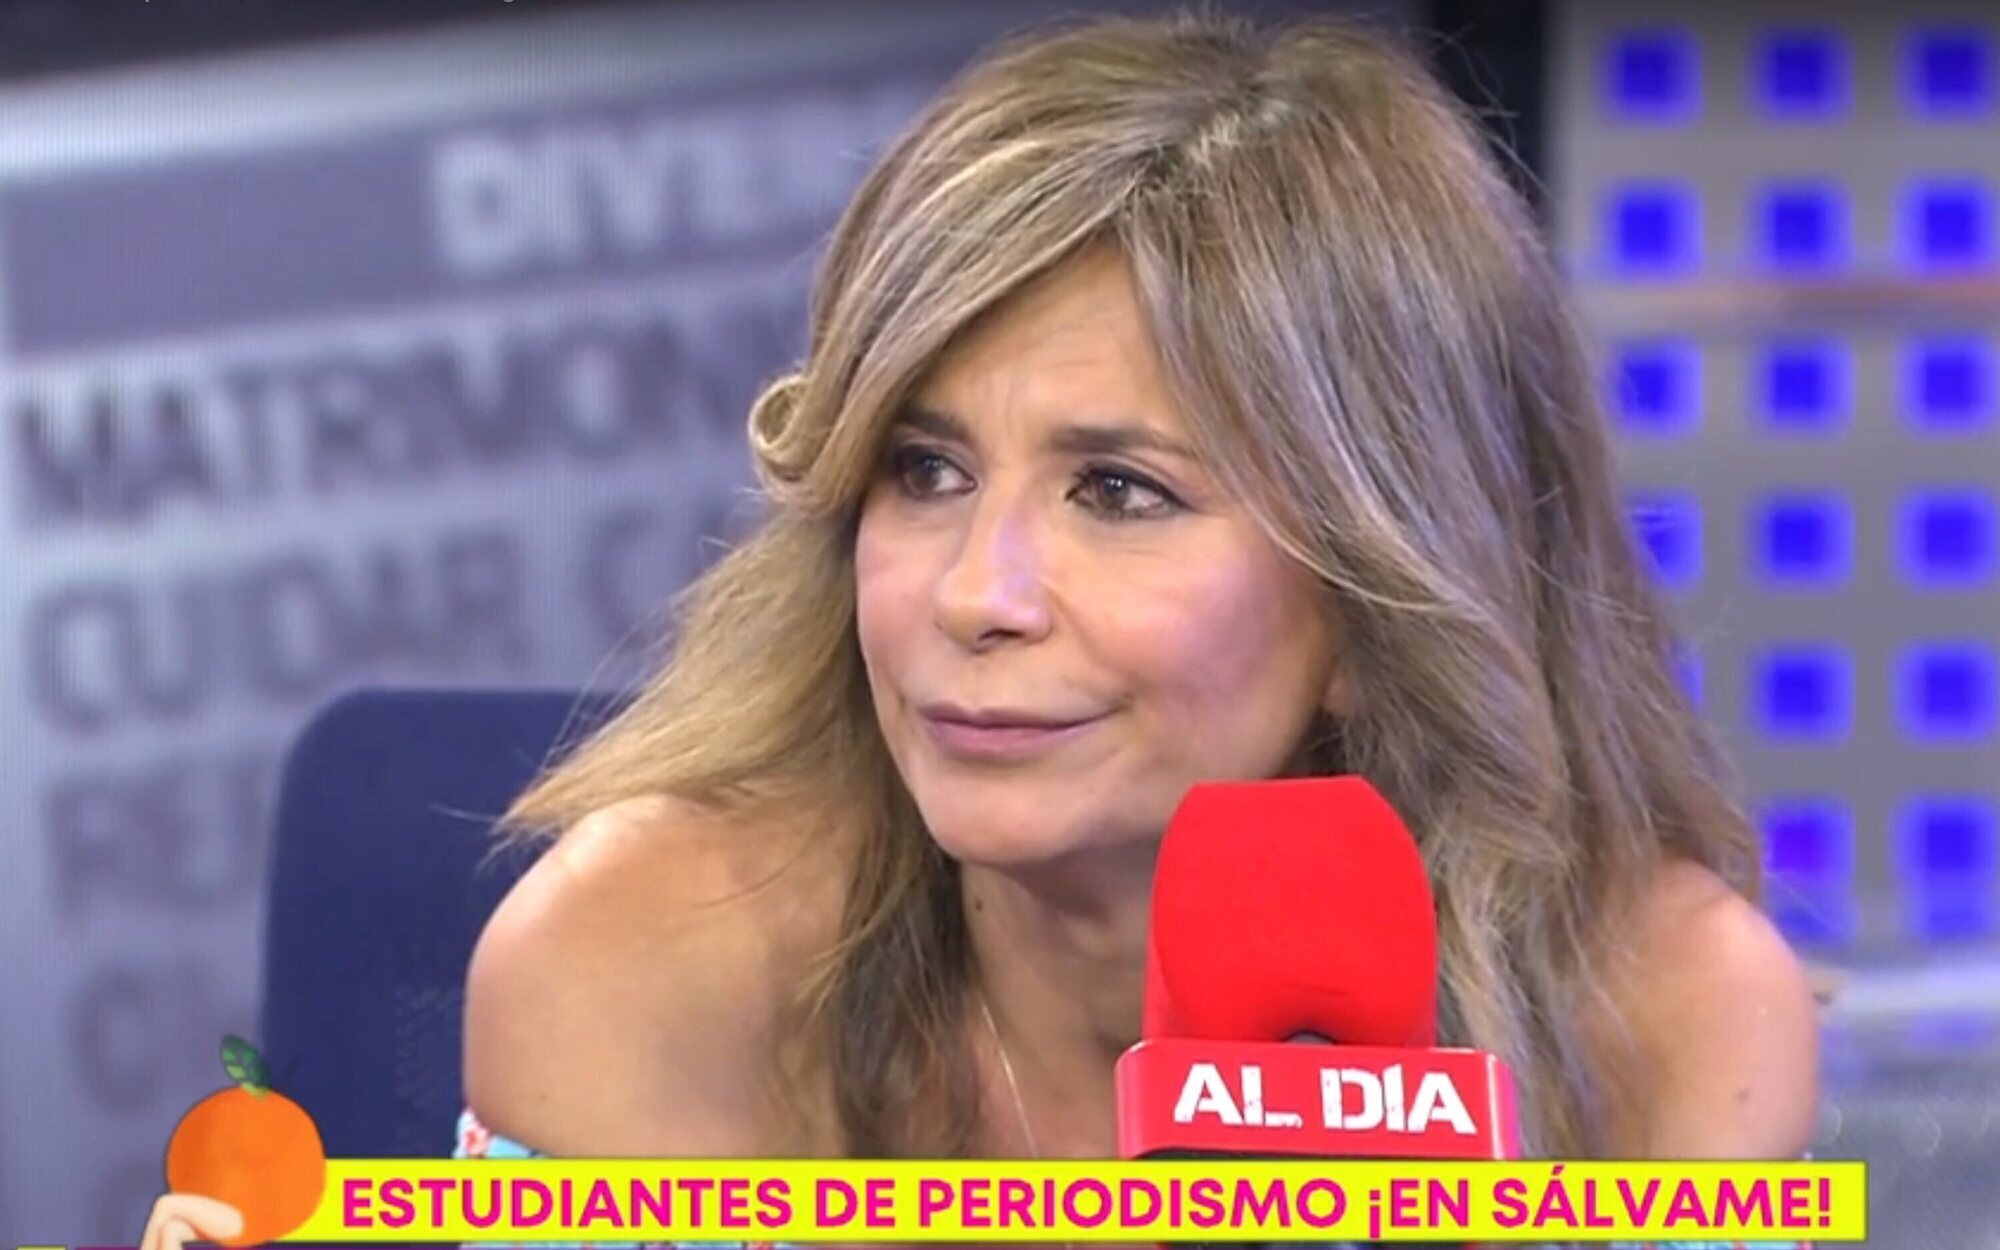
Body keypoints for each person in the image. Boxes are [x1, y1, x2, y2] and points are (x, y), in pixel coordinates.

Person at [143, 8, 1821, 1249]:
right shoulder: (647, 962)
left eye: (1120, 490)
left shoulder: (1659, 1016)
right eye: (925, 470)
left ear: (1382, 585)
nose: (975, 593)